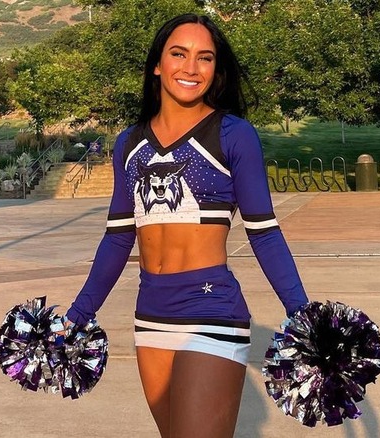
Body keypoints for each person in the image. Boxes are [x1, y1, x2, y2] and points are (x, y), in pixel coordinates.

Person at [65, 13, 308, 437]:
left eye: (205, 58)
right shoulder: (129, 143)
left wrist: (303, 315)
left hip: (210, 311)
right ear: (157, 64)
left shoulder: (233, 135)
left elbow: (264, 232)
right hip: (150, 315)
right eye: (179, 54)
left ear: (216, 71)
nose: (191, 68)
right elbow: (120, 236)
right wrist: (78, 315)